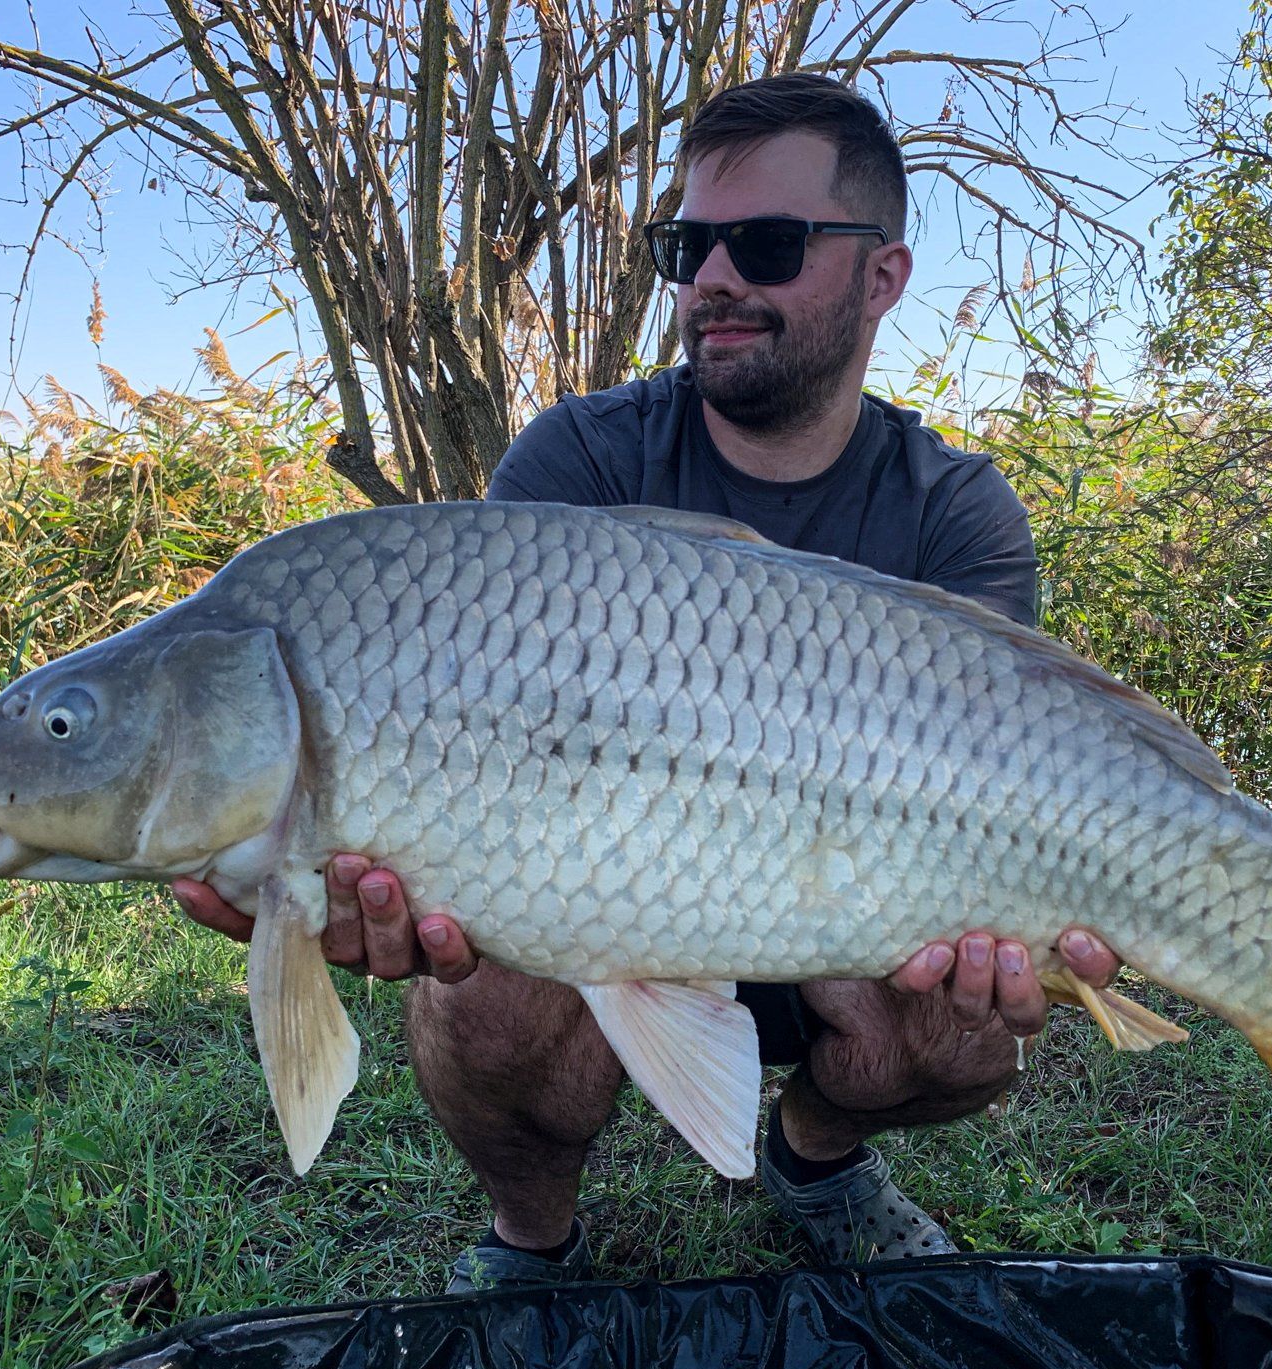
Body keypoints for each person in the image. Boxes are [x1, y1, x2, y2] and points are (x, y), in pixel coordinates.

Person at [173, 73, 1121, 1288]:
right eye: (688, 245)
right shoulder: (576, 459)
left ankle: (816, 1158)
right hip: (604, 894)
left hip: (854, 911)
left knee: (970, 1025)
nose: (713, 279)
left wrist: (1036, 923)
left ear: (882, 278)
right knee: (478, 986)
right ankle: (533, 1236)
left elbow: (1009, 780)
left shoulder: (958, 512)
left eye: (767, 245)